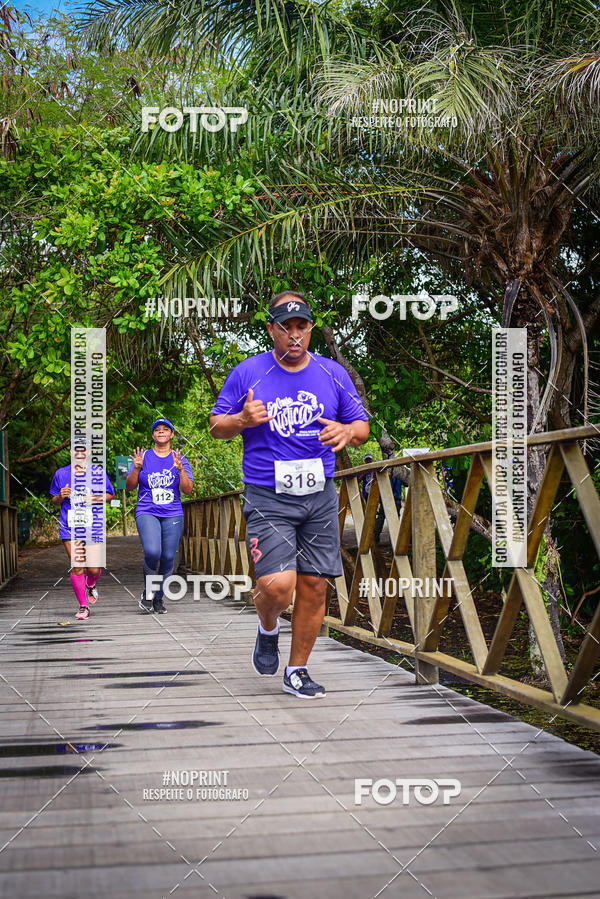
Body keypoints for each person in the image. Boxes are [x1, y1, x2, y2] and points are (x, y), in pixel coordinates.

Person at [209, 290, 369, 698]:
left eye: (302, 327)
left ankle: (297, 670)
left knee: (315, 586)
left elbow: (362, 427)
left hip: (319, 495)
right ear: (271, 330)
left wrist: (347, 432)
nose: (294, 336)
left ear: (311, 330)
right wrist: (242, 419)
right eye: (286, 328)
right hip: (268, 494)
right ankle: (267, 627)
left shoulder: (332, 372)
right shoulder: (248, 372)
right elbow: (215, 426)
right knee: (279, 585)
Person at [126, 418, 193, 614]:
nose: (161, 432)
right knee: (153, 552)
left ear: (172, 434)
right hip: (147, 511)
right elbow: (130, 486)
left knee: (168, 556)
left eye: (166, 429)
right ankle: (148, 591)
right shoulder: (144, 456)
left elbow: (188, 490)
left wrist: (180, 469)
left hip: (172, 513)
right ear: (153, 435)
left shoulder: (179, 458)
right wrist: (136, 468)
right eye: (157, 430)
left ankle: (158, 598)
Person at [50, 441, 115, 620]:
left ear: (89, 452)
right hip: (69, 526)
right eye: (76, 449)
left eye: (83, 449)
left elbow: (110, 494)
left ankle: (91, 582)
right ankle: (83, 606)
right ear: (71, 451)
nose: (79, 452)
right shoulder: (61, 473)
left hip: (92, 525)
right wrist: (60, 496)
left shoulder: (97, 472)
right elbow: (54, 500)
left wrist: (94, 498)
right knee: (77, 564)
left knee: (93, 569)